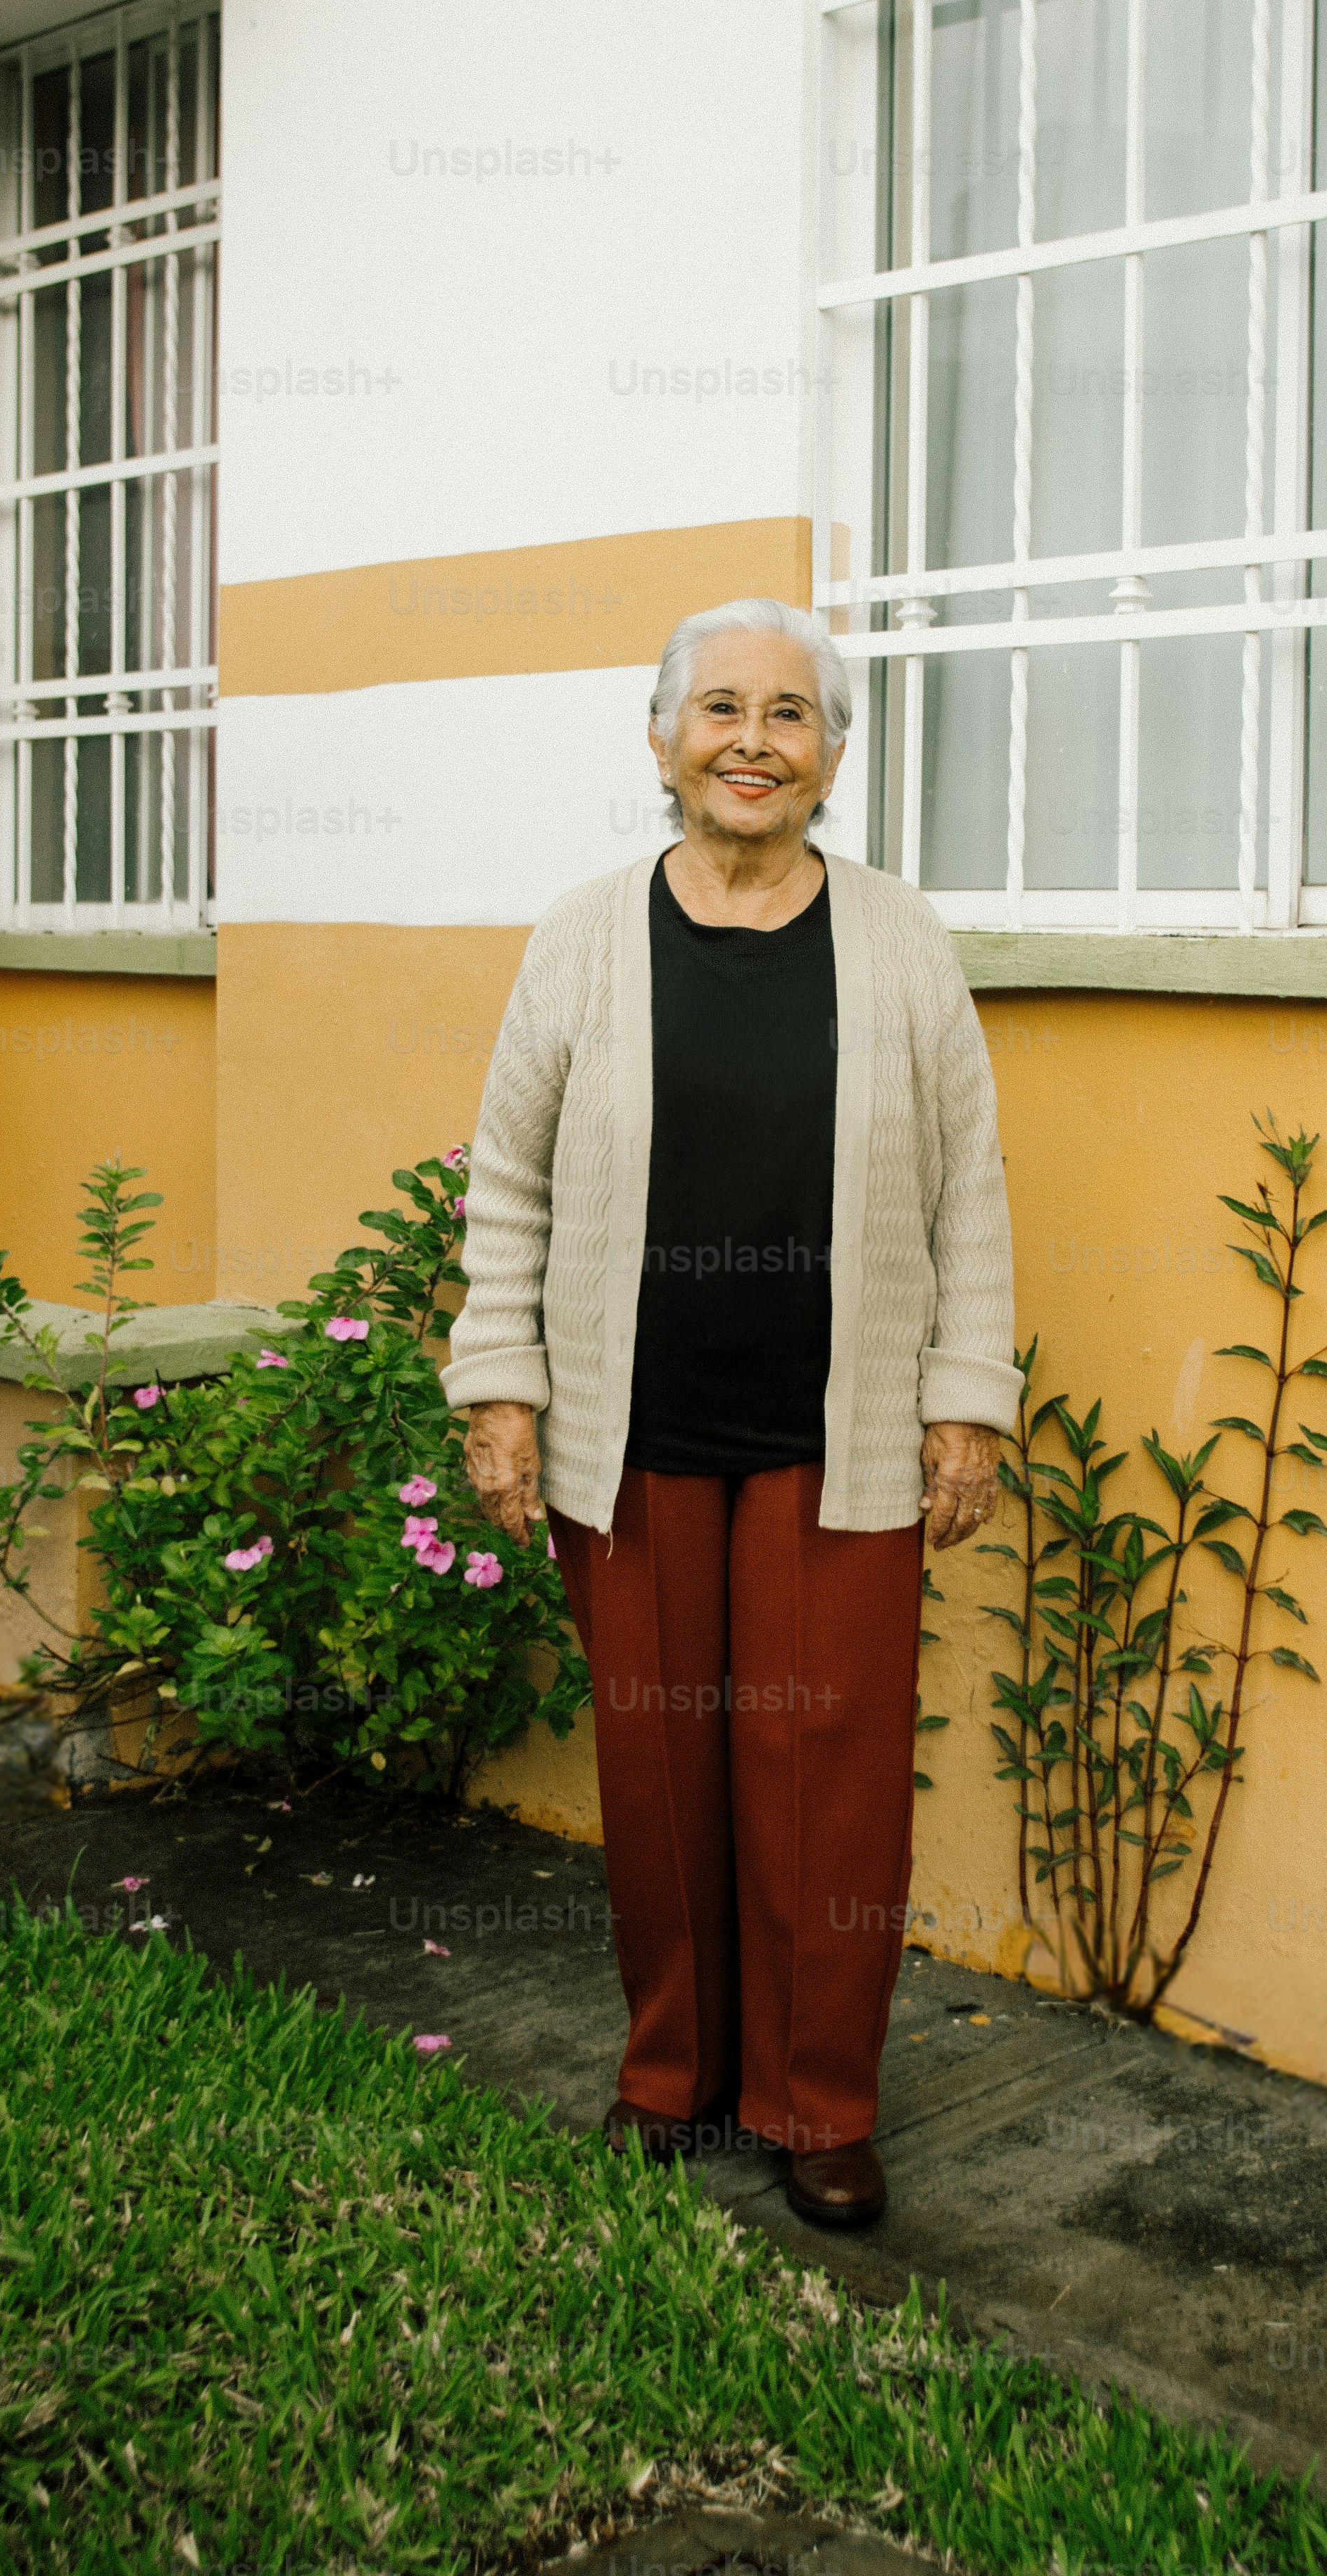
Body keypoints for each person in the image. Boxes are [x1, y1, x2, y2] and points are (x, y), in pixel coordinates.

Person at [444, 594, 1020, 2230]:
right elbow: (509, 1175)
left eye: (789, 713)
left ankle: (819, 2104)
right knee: (661, 1766)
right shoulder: (583, 934)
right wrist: (500, 1385)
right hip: (634, 1435)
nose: (753, 740)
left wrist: (966, 1402)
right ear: (662, 741)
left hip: (838, 1434)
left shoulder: (901, 937)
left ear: (832, 752)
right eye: (721, 710)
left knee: (827, 1771)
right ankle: (673, 2076)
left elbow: (970, 1181)